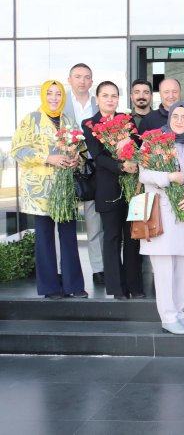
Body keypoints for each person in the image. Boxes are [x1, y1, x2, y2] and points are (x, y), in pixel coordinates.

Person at [11, 80, 87, 299]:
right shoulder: (31, 119)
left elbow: (81, 150)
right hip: (40, 191)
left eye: (58, 94)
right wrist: (47, 158)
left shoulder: (69, 120)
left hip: (65, 190)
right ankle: (50, 288)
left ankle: (74, 285)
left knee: (69, 237)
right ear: (43, 95)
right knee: (44, 239)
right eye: (50, 94)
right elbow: (17, 151)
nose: (54, 98)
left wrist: (76, 161)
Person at [139, 102, 184, 335]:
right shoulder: (153, 143)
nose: (180, 120)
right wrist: (169, 177)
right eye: (176, 115)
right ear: (169, 118)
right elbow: (143, 174)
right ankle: (167, 316)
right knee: (164, 269)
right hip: (161, 212)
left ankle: (180, 313)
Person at [82, 81, 143, 300]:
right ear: (96, 99)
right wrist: (121, 166)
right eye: (105, 96)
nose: (110, 100)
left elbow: (139, 141)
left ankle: (134, 286)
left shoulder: (126, 119)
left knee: (132, 238)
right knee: (112, 238)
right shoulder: (89, 124)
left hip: (131, 188)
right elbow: (97, 156)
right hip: (107, 188)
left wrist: (129, 139)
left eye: (114, 96)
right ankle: (117, 289)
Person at [61, 63, 105, 285]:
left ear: (91, 81)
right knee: (63, 221)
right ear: (69, 80)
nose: (82, 81)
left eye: (87, 77)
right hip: (65, 168)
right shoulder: (60, 103)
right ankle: (63, 269)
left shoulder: (99, 104)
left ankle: (98, 268)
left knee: (93, 221)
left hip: (92, 170)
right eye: (77, 76)